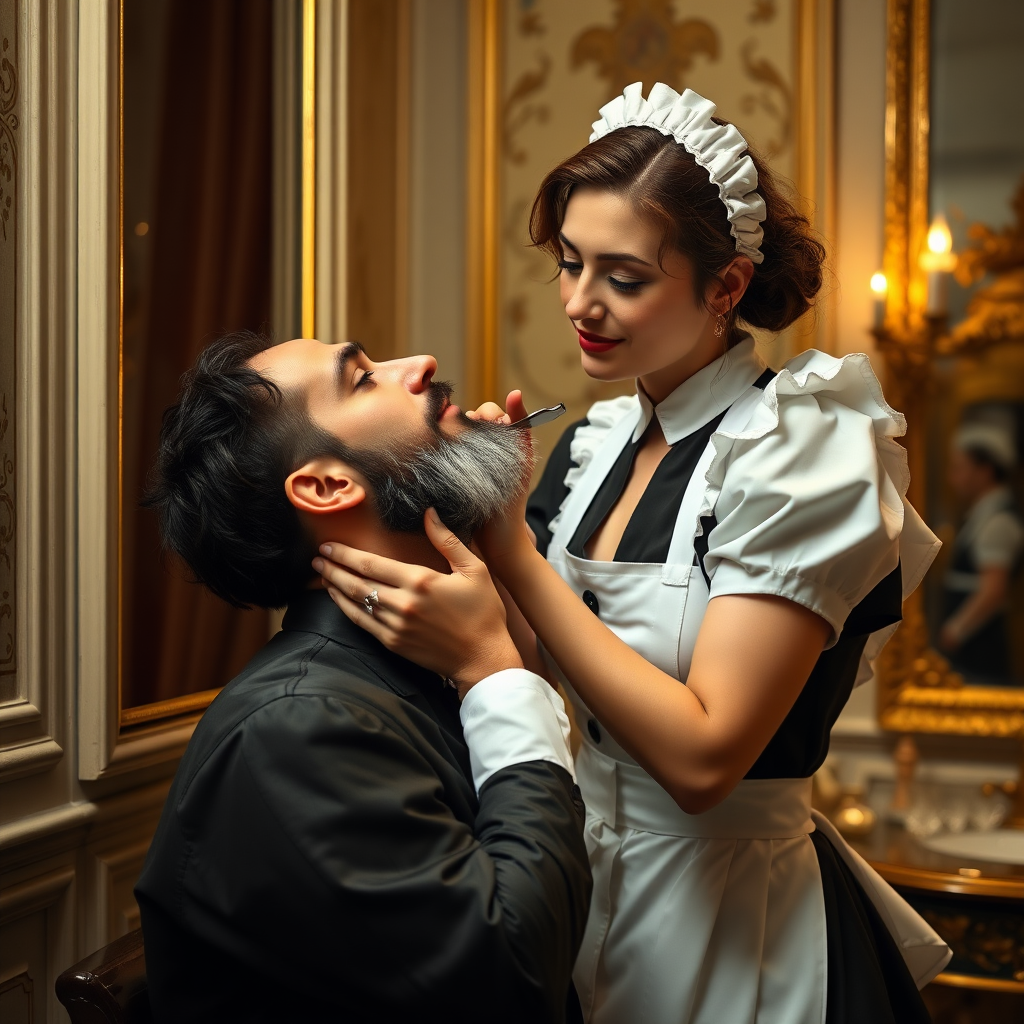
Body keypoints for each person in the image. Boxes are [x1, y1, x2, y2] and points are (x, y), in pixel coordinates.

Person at [315, 84, 952, 1024]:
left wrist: (510, 549)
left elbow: (702, 764)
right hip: (582, 881)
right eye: (571, 264)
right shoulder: (597, 442)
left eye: (624, 277)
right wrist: (483, 577)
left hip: (740, 922)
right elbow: (550, 662)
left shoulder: (805, 449)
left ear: (725, 287)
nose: (581, 303)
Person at [133, 331, 593, 1024]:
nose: (420, 364)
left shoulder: (420, 666)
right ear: (326, 486)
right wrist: (494, 674)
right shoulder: (297, 729)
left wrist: (500, 548)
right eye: (362, 378)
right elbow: (515, 982)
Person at [940, 421, 1024, 683]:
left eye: (959, 468)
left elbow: (993, 590)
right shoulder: (983, 515)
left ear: (984, 471)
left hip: (980, 646)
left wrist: (956, 630)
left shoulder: (999, 521)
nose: (952, 478)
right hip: (972, 645)